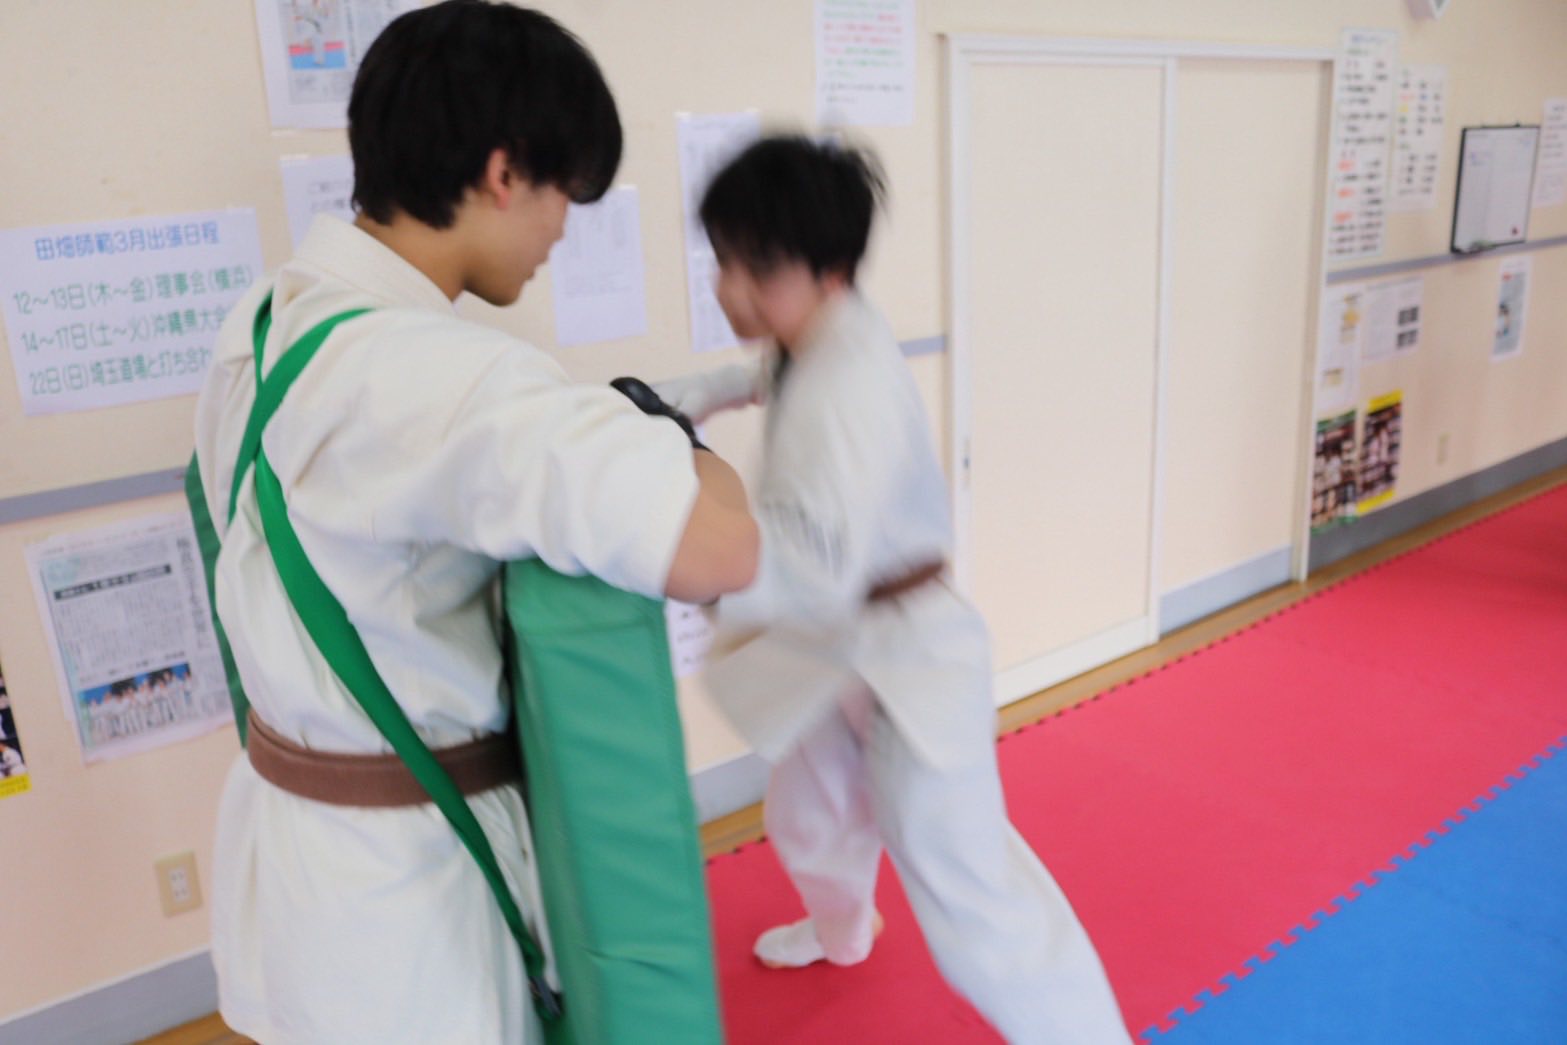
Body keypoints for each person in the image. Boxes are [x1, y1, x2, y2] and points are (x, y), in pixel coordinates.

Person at [190, 3, 758, 1041]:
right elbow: (721, 547)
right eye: (565, 195)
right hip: (407, 901)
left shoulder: (266, 323)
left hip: (293, 855)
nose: (560, 232)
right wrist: (685, 441)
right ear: (505, 172)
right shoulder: (442, 379)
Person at [652, 135, 1131, 1043]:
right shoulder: (816, 333)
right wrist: (695, 392)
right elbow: (764, 372)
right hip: (836, 643)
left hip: (909, 648)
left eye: (757, 271)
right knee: (808, 815)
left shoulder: (849, 387)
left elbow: (811, 565)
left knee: (969, 893)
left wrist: (689, 556)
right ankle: (842, 933)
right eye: (722, 262)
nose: (730, 291)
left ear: (828, 270)